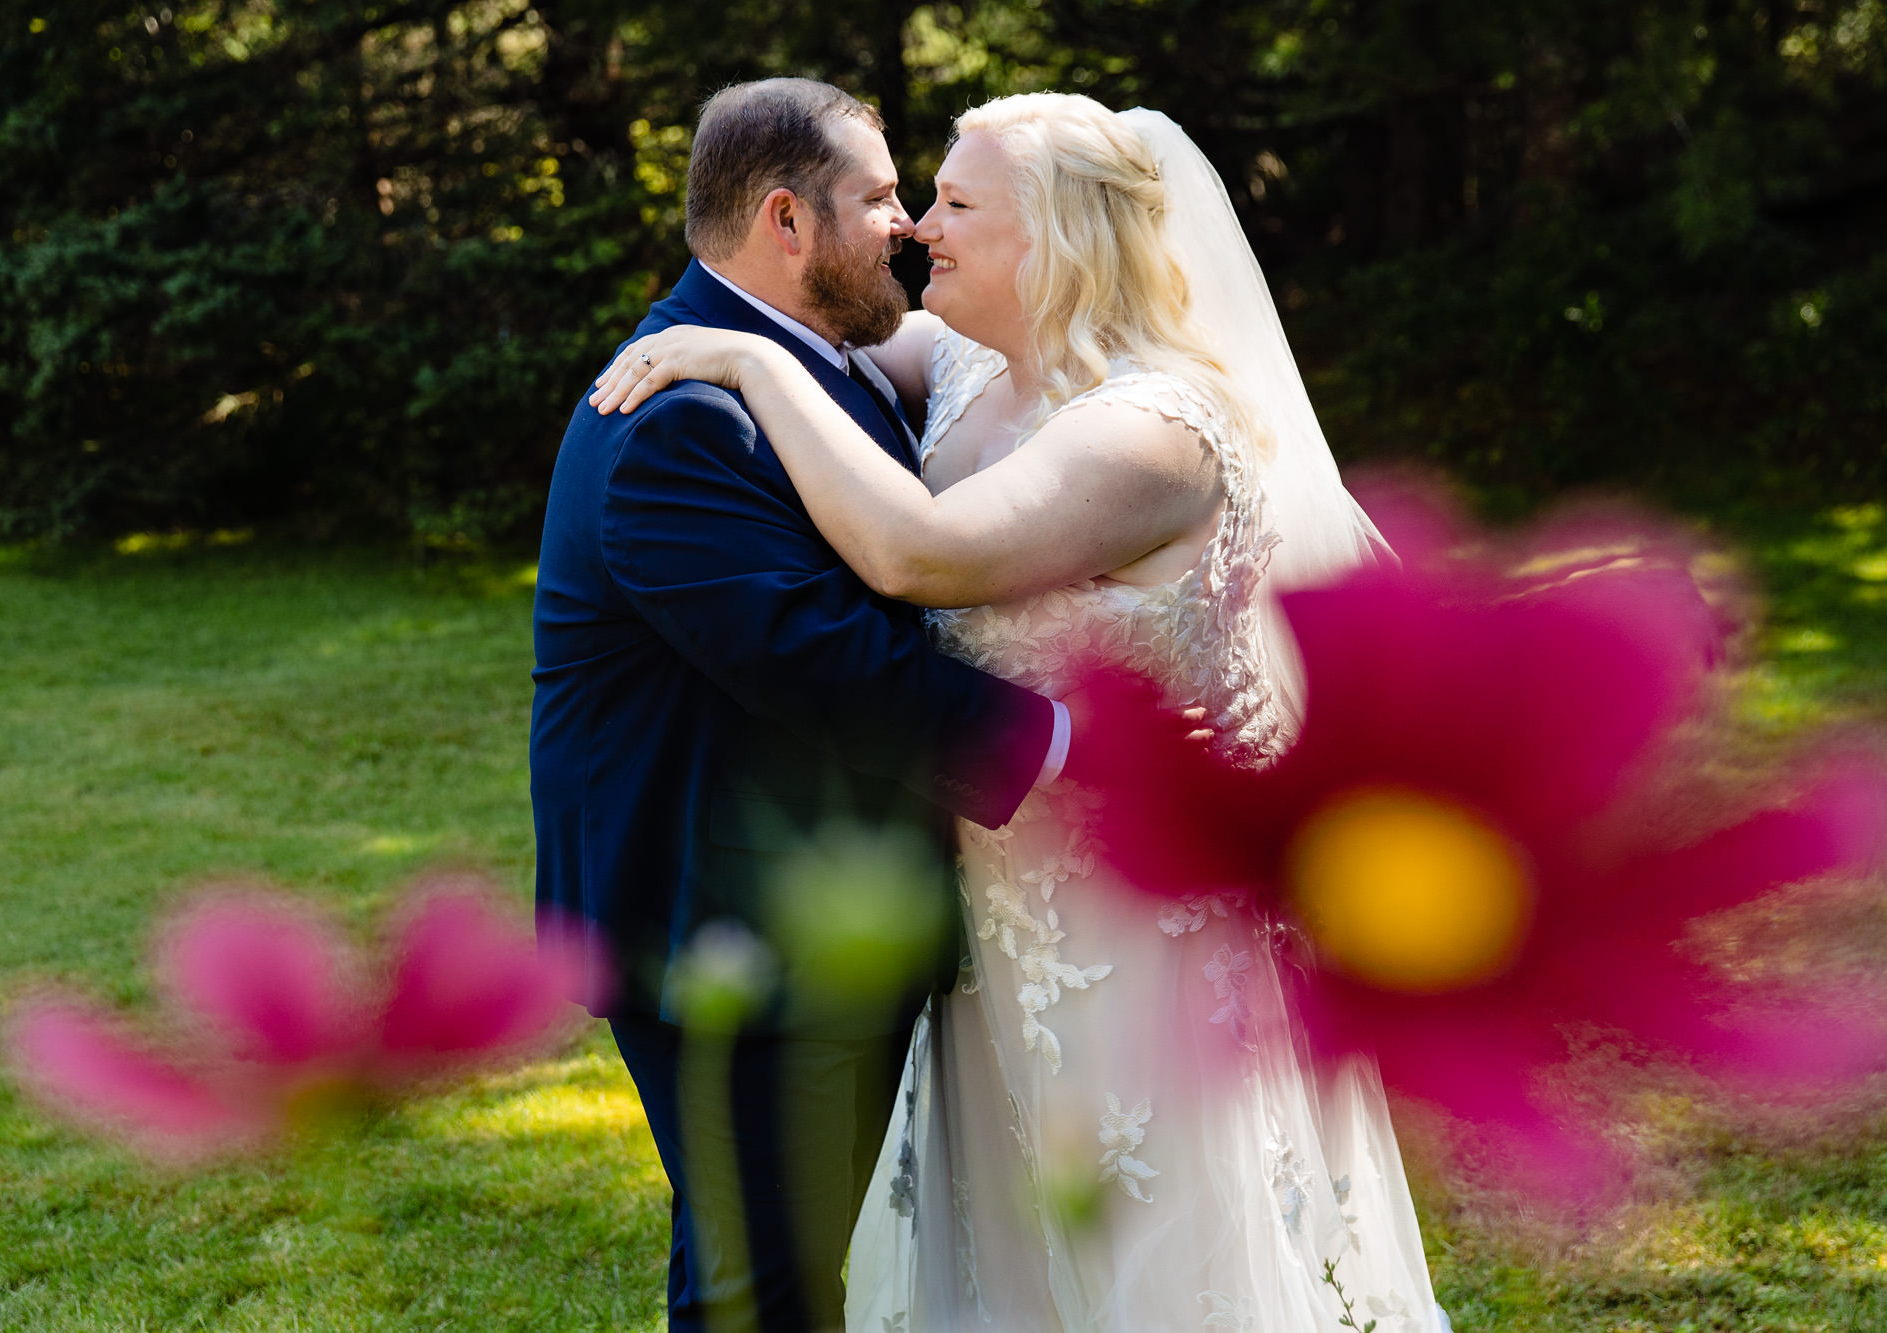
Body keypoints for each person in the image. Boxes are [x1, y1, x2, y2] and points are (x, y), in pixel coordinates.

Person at [593, 94, 1451, 1331]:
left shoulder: (1153, 432)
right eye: (917, 197)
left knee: (1143, 1247)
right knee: (1011, 1258)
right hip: (994, 918)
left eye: (954, 204)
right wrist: (727, 328)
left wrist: (742, 362)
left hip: (1124, 922)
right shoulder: (965, 367)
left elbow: (920, 553)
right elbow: (792, 299)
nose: (916, 229)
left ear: (1054, 238)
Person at [531, 78, 1082, 1333]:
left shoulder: (818, 367)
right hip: (723, 928)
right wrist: (1060, 743)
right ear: (785, 221)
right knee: (763, 1294)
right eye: (880, 198)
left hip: (813, 900)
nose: (904, 224)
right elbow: (820, 659)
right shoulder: (676, 424)